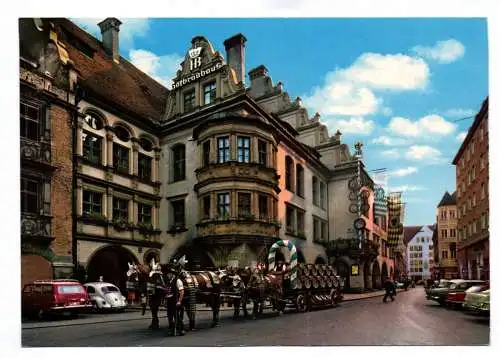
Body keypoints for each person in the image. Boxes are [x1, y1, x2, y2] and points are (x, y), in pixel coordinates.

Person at [165, 267, 185, 336]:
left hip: (175, 301)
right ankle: (172, 329)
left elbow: (182, 291)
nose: (167, 275)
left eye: (168, 274)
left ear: (172, 274)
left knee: (176, 316)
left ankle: (181, 329)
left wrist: (179, 301)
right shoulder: (168, 281)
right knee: (170, 316)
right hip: (169, 301)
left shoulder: (177, 281)